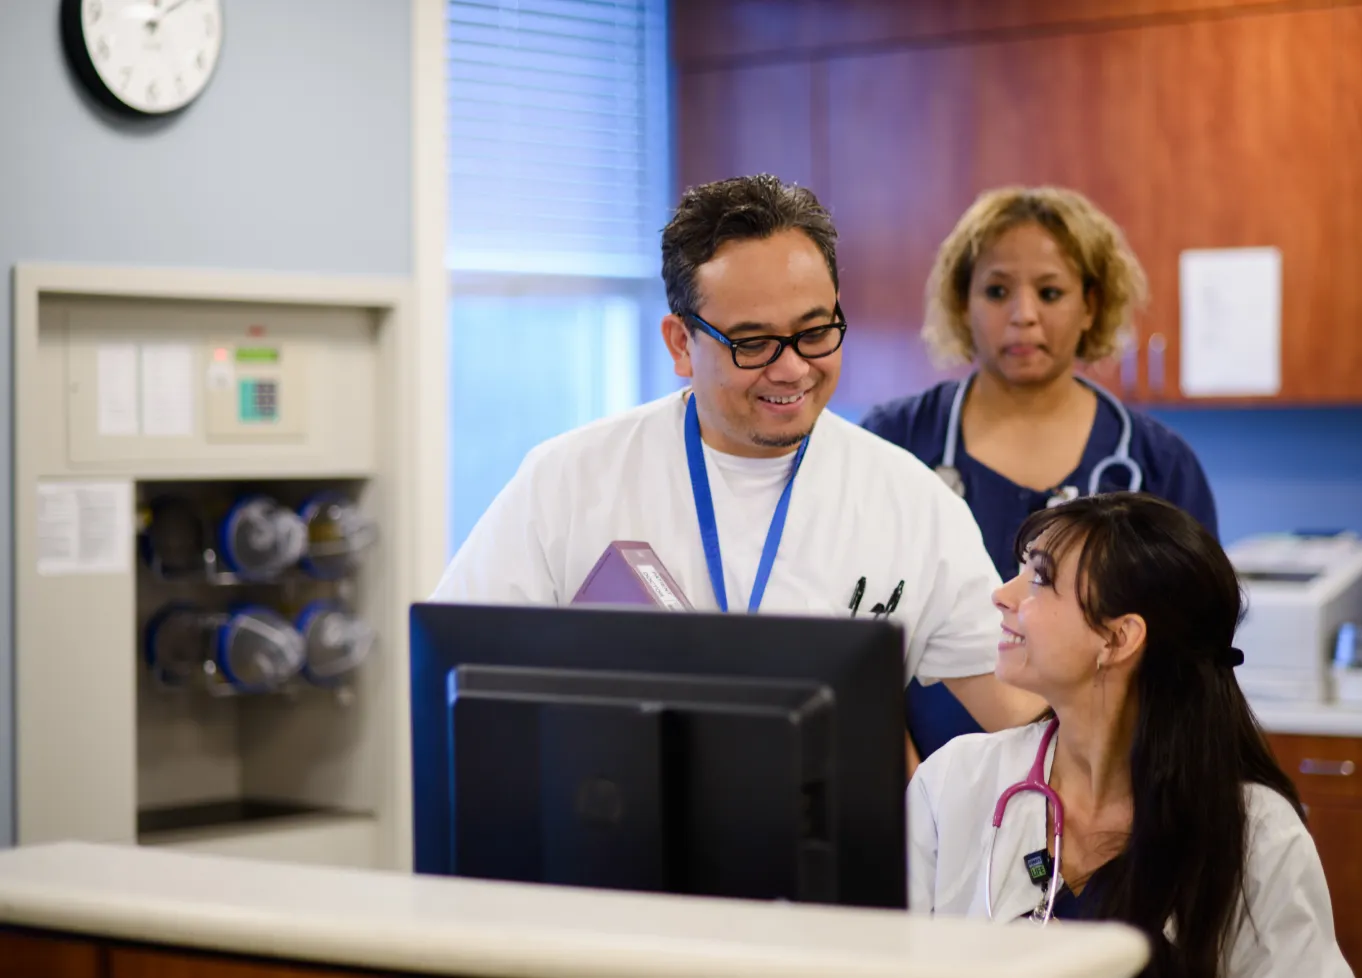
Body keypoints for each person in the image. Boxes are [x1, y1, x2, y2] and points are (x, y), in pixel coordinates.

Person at [432, 174, 1043, 735]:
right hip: (612, 827)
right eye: (752, 343)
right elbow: (452, 674)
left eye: (815, 332)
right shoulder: (569, 481)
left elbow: (1019, 718)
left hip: (825, 840)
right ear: (680, 342)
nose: (793, 368)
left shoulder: (913, 503)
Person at [908, 493, 1352, 978]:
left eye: (1038, 578)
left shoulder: (1258, 835)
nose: (1002, 595)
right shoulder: (954, 783)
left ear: (1117, 639)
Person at [861, 186, 1218, 763]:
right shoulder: (894, 444)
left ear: (1091, 305)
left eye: (1050, 292)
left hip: (1108, 786)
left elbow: (1191, 656)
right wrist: (899, 782)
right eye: (997, 290)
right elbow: (849, 628)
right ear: (963, 303)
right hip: (916, 785)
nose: (1023, 314)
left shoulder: (1156, 466)